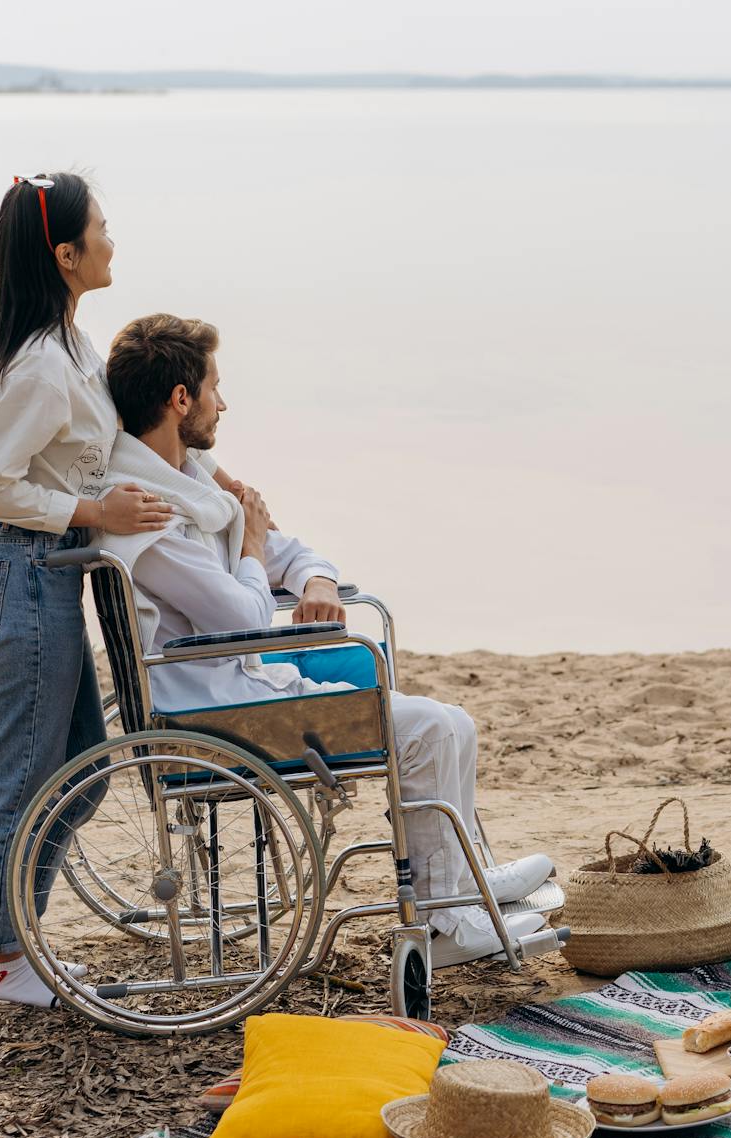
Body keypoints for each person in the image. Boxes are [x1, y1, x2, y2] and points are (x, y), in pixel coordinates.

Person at [98, 313, 554, 966]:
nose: (222, 403)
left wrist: (317, 580)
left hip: (245, 688)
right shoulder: (150, 513)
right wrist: (253, 545)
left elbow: (292, 552)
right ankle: (448, 920)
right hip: (217, 713)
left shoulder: (193, 484)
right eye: (215, 387)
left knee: (453, 722)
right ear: (180, 399)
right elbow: (241, 616)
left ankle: (460, 890)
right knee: (430, 728)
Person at [0, 172, 178, 1007]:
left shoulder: (76, 347)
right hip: (17, 572)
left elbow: (120, 445)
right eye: (103, 230)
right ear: (65, 253)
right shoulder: (44, 367)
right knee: (19, 777)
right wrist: (89, 507)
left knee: (80, 773)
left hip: (49, 577)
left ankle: (16, 939)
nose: (113, 242)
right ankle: (5, 956)